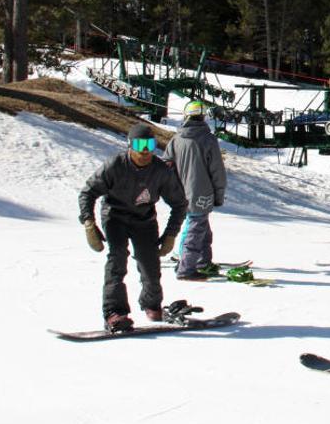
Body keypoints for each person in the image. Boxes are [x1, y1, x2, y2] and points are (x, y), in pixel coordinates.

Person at [78, 123, 188, 332]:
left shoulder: (160, 170)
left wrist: (170, 234)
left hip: (144, 220)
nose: (145, 151)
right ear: (130, 146)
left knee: (150, 263)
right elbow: (88, 193)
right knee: (117, 258)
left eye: (149, 144)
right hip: (115, 217)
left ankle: (152, 305)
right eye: (139, 144)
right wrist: (88, 223)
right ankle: (114, 313)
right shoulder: (115, 165)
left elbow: (179, 203)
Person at [164, 100, 227, 281]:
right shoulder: (207, 139)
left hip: (181, 192)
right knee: (196, 228)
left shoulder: (176, 139)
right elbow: (217, 171)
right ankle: (186, 268)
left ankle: (202, 262)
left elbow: (166, 164)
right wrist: (219, 195)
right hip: (201, 193)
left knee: (202, 227)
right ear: (203, 116)